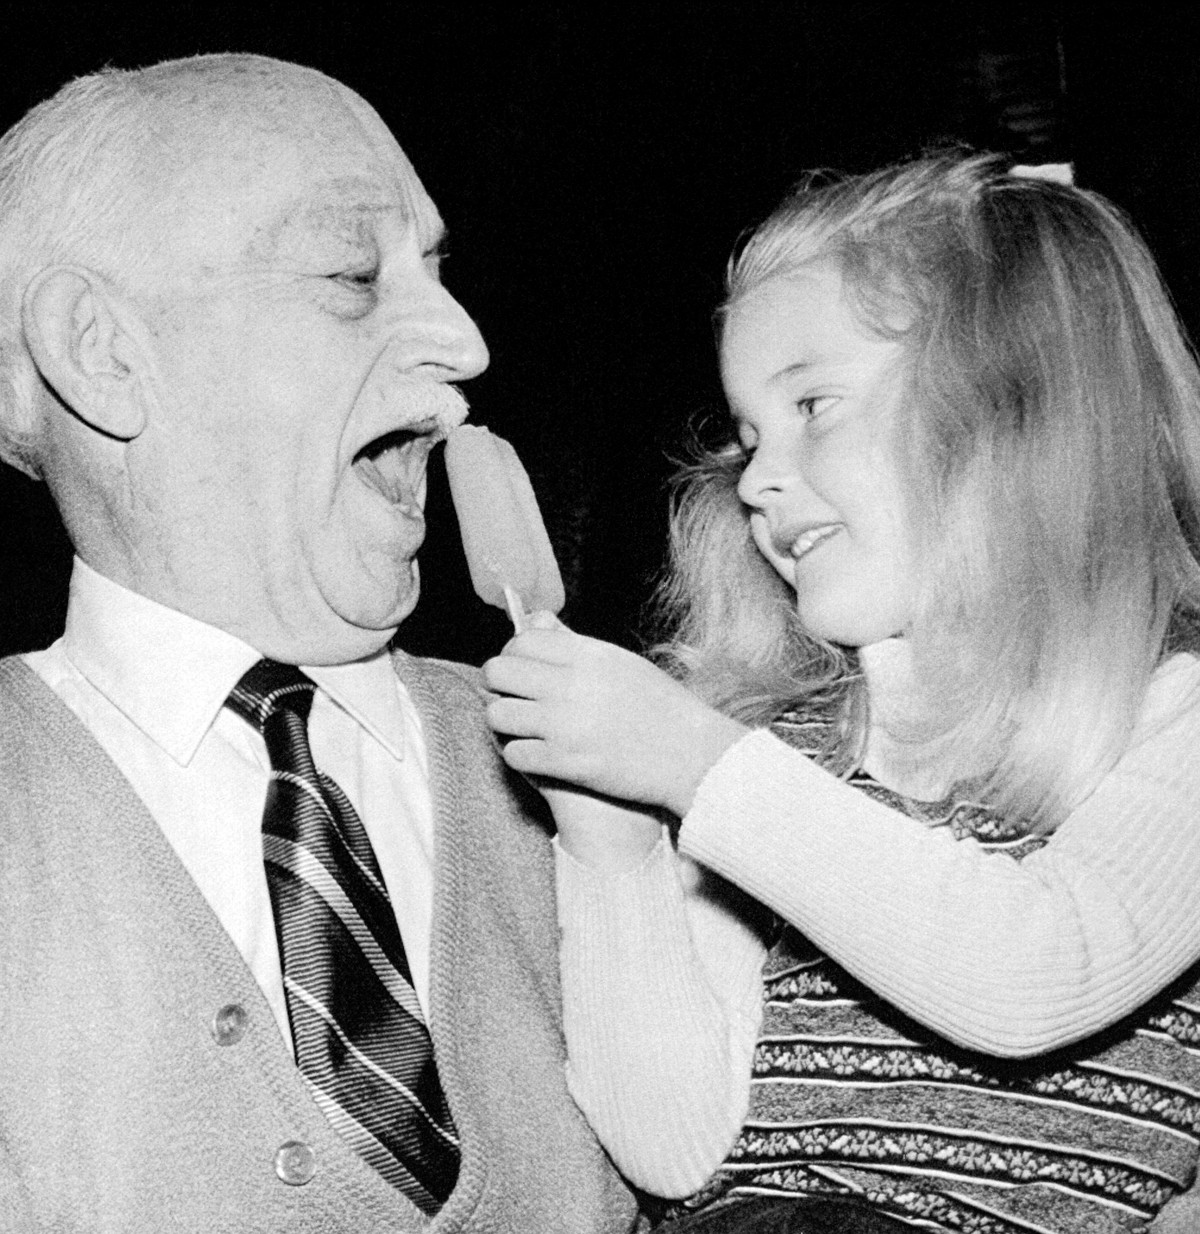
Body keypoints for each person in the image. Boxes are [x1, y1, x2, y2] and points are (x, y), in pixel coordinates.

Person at [484, 154, 1200, 1232]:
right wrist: (613, 850)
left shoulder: (1171, 716)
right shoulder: (777, 751)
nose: (759, 477)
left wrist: (700, 767)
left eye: (814, 402)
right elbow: (677, 1149)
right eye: (749, 434)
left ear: (1019, 400)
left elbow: (1037, 975)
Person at [0, 54, 638, 1232]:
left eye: (437, 273)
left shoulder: (610, 773)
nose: (462, 340)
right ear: (103, 350)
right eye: (354, 273)